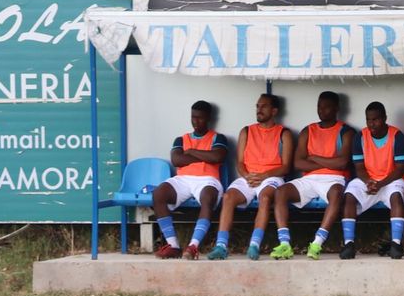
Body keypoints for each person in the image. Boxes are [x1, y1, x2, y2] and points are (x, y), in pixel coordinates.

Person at [208, 93, 292, 261]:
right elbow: (239, 162)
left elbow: (286, 167)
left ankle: (254, 244)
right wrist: (247, 176)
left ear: (274, 111)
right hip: (249, 176)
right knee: (228, 197)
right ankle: (221, 246)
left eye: (264, 106)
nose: (259, 110)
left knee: (266, 197)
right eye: (257, 106)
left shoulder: (284, 133)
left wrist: (264, 175)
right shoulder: (246, 131)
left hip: (271, 177)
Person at [272, 91, 355, 260]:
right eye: (319, 106)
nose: (321, 110)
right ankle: (285, 244)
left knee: (337, 194)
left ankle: (317, 242)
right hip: (309, 179)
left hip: (335, 178)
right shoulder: (308, 130)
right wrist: (330, 161)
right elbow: (298, 163)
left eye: (326, 107)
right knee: (280, 192)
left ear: (336, 108)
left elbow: (343, 163)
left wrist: (315, 158)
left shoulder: (346, 131)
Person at [150, 100, 229, 260]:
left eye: (200, 118)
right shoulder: (181, 139)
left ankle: (193, 246)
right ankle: (173, 245)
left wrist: (192, 152)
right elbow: (177, 160)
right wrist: (203, 157)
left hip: (208, 179)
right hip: (183, 179)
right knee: (158, 194)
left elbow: (217, 156)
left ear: (208, 118)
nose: (196, 121)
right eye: (193, 117)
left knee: (208, 198)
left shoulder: (217, 137)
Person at [340, 101, 404, 260]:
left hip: (391, 179)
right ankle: (349, 244)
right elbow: (359, 167)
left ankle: (396, 244)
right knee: (349, 196)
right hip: (368, 179)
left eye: (376, 119)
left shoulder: (397, 136)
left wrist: (380, 184)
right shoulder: (360, 136)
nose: (372, 124)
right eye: (368, 120)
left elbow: (400, 169)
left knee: (396, 198)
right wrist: (369, 182)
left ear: (385, 118)